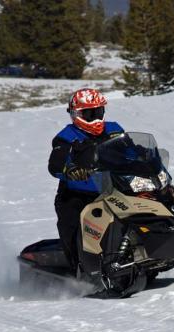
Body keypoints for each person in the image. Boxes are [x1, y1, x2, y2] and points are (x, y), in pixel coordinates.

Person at [48, 88, 125, 270]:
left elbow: (128, 149)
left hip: (113, 188)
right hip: (77, 195)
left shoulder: (114, 129)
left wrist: (143, 154)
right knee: (72, 228)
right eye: (89, 114)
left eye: (98, 112)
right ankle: (80, 270)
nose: (96, 118)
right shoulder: (66, 137)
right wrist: (70, 170)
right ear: (76, 114)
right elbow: (55, 165)